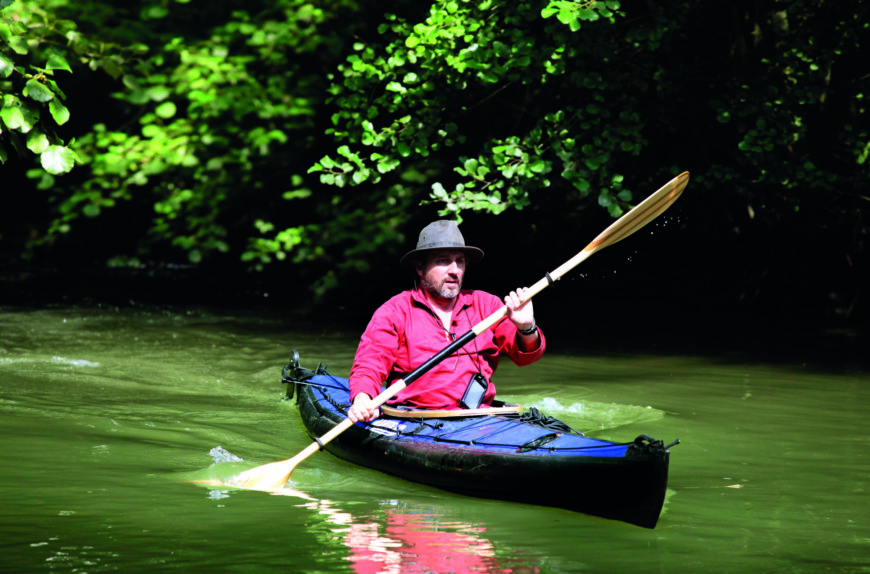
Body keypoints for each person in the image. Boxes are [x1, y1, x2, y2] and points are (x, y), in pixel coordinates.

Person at [347, 220, 546, 423]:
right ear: (419, 266)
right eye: (443, 261)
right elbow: (369, 365)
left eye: (460, 261)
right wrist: (362, 399)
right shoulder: (394, 311)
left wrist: (526, 328)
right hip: (414, 419)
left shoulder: (488, 306)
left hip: (478, 418)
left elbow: (527, 357)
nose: (454, 270)